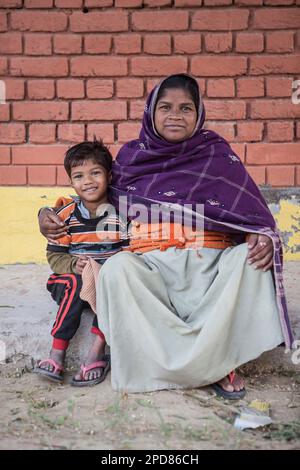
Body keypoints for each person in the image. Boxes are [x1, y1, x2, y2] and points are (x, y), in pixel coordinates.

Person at [39, 74, 293, 399]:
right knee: (116, 271)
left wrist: (260, 236)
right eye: (166, 107)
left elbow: (248, 211)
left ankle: (212, 362)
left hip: (210, 265)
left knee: (253, 261)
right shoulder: (132, 159)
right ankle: (213, 366)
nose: (176, 115)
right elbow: (92, 197)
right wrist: (45, 215)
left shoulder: (216, 155)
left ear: (199, 113)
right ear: (150, 112)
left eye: (186, 107)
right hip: (153, 269)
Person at [36, 139, 128, 386]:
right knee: (75, 282)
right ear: (71, 182)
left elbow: (131, 252)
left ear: (109, 176)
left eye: (95, 173)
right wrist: (72, 265)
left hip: (104, 284)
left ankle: (96, 353)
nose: (87, 181)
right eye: (78, 176)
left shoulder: (122, 215)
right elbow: (55, 256)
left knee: (116, 284)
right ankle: (57, 352)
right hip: (70, 282)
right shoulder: (64, 215)